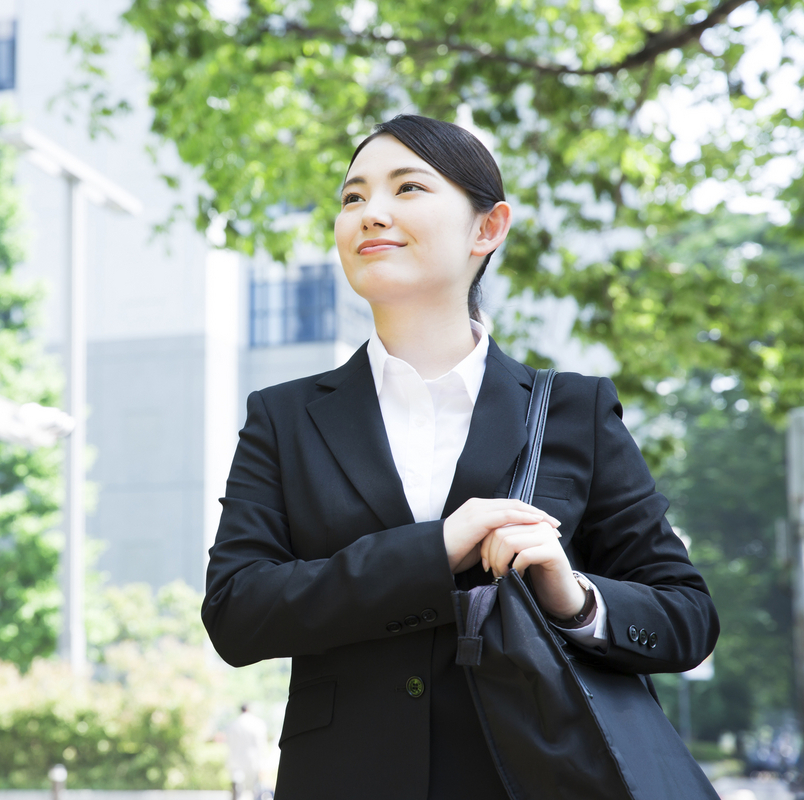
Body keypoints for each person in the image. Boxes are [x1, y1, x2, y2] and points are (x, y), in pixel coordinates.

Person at [202, 114, 720, 799]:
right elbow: (237, 612)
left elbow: (686, 617)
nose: (370, 213)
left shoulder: (575, 410)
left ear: (488, 228)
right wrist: (435, 549)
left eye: (407, 188)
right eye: (352, 198)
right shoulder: (285, 417)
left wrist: (574, 598)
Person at [226, 704, 268, 799]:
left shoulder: (234, 724)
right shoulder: (258, 723)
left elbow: (229, 744)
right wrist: (263, 763)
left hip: (237, 761)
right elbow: (261, 745)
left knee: (237, 789)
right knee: (256, 791)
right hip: (253, 761)